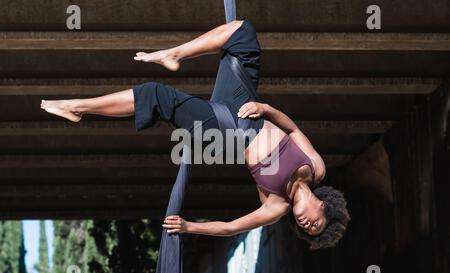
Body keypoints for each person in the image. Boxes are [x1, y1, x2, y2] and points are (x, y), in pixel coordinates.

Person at [40, 19, 350, 250]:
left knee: (156, 95)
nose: (307, 224)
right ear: (324, 206)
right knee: (243, 34)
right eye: (316, 224)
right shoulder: (316, 167)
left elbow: (230, 228)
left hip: (226, 129)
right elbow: (293, 128)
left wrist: (190, 227)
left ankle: (78, 107)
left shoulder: (275, 206)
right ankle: (174, 54)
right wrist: (265, 108)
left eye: (305, 229)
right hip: (246, 104)